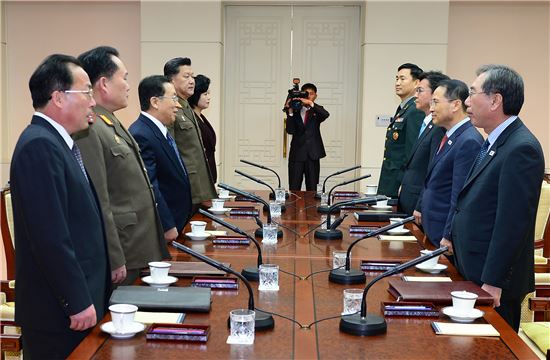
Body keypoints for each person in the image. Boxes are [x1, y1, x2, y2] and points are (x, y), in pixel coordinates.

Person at [10, 54, 109, 358]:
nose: (93, 102)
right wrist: (76, 300)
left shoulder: (58, 143)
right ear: (58, 98)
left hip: (73, 303)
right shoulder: (39, 146)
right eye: (86, 93)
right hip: (58, 312)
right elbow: (50, 237)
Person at [449, 65, 544, 331]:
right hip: (474, 269)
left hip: (493, 281)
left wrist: (493, 281)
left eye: (472, 93)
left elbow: (512, 223)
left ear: (495, 100)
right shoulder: (494, 141)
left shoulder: (521, 148)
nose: (467, 101)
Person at [75, 46, 170, 285]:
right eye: (124, 78)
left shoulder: (109, 121)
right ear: (104, 83)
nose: (128, 85)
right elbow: (100, 199)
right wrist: (115, 256)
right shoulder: (90, 128)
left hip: (139, 244)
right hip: (124, 249)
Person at [413, 79, 483, 247]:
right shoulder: (449, 136)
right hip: (433, 229)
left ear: (455, 105)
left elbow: (459, 196)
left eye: (435, 102)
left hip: (445, 236)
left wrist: (449, 235)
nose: (431, 109)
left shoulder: (468, 141)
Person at [129, 75, 193, 235]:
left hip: (179, 219)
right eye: (173, 98)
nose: (178, 105)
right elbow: (149, 185)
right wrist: (167, 225)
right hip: (165, 227)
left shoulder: (159, 130)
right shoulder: (141, 134)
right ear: (155, 102)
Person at [163, 57, 217, 210]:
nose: (192, 81)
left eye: (192, 76)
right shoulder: (171, 108)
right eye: (186, 77)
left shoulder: (187, 107)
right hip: (186, 187)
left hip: (198, 188)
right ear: (171, 80)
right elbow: (170, 152)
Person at [398, 71, 448, 215]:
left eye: (420, 90)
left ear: (435, 94)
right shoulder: (426, 123)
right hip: (408, 198)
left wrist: (420, 205)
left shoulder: (439, 128)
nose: (415, 95)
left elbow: (432, 172)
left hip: (419, 205)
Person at [378, 63, 426, 198]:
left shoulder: (415, 110)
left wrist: (404, 183)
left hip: (399, 182)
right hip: (390, 179)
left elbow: (411, 153)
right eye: (396, 78)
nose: (397, 83)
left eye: (402, 79)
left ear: (417, 83)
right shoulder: (405, 108)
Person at [285, 83, 330, 191]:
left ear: (315, 96)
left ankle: (312, 208)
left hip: (313, 155)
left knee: (313, 189)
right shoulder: (295, 110)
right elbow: (290, 130)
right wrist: (290, 112)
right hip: (297, 155)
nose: (309, 95)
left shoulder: (317, 111)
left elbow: (326, 114)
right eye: (306, 93)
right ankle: (294, 208)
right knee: (294, 188)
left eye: (311, 94)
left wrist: (310, 103)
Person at [188, 74, 217, 182]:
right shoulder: (191, 118)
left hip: (209, 173)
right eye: (205, 94)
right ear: (195, 95)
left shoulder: (201, 117)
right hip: (200, 177)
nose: (208, 97)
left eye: (208, 93)